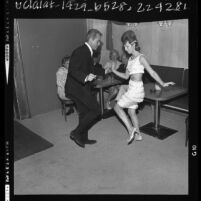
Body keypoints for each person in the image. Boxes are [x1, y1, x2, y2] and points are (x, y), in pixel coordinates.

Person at [111, 30, 174, 145]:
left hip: (136, 89)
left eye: (127, 46)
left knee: (116, 107)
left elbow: (152, 72)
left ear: (133, 44)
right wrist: (114, 71)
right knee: (131, 112)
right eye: (124, 47)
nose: (125, 49)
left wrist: (162, 83)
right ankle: (138, 134)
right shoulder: (130, 60)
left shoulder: (141, 58)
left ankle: (131, 130)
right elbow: (126, 76)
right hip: (131, 88)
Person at [65, 29, 102, 148]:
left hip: (80, 87)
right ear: (91, 39)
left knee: (84, 113)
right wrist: (86, 77)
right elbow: (73, 70)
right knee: (96, 110)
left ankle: (83, 138)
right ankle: (76, 133)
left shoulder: (88, 52)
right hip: (76, 88)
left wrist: (105, 70)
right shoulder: (81, 51)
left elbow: (90, 69)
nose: (99, 43)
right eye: (98, 41)